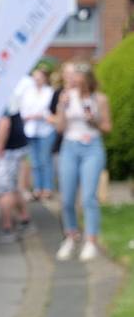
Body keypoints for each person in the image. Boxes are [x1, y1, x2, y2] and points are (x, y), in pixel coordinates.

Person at [51, 62, 112, 262]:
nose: (73, 81)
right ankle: (70, 236)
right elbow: (60, 128)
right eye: (71, 77)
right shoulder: (66, 98)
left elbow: (106, 127)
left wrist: (92, 120)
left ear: (87, 80)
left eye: (76, 77)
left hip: (92, 148)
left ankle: (91, 241)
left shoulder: (99, 99)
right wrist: (62, 106)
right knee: (67, 198)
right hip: (70, 147)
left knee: (88, 198)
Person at [0, 107, 31, 242]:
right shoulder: (7, 94)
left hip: (7, 151)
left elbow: (4, 123)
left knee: (4, 190)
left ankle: (7, 227)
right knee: (14, 188)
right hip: (16, 147)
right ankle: (25, 219)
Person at [18, 67, 56, 200]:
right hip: (31, 129)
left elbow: (50, 110)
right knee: (34, 161)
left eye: (39, 77)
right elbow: (23, 109)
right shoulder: (28, 92)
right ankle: (37, 188)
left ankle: (48, 187)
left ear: (45, 78)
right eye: (35, 77)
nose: (36, 80)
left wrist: (40, 115)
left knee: (45, 159)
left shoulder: (50, 92)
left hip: (46, 129)